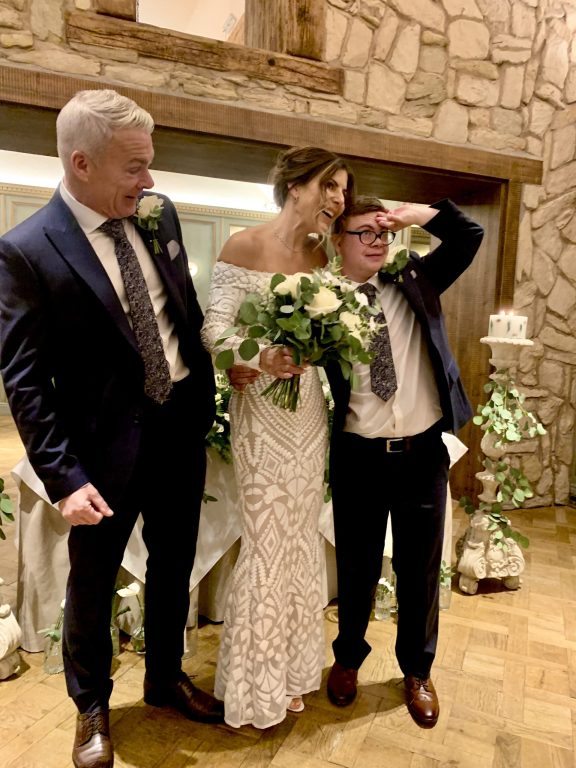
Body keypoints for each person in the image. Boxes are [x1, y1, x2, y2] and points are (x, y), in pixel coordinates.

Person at [0, 89, 222, 768]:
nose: (149, 182)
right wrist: (64, 478)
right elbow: (26, 379)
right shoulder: (26, 250)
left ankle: (164, 679)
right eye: (133, 167)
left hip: (180, 429)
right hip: (101, 451)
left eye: (148, 165)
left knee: (175, 562)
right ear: (81, 164)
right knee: (91, 585)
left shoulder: (159, 214)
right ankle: (91, 706)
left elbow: (178, 312)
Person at [201, 146, 354, 729]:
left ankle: (292, 673)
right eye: (329, 186)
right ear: (294, 186)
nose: (338, 199)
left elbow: (329, 337)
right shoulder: (244, 245)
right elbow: (214, 329)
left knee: (297, 538)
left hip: (308, 408)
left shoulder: (323, 259)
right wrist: (257, 356)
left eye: (343, 189)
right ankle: (253, 685)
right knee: (268, 542)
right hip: (262, 411)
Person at [325, 195, 483, 728]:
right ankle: (347, 658)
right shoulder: (318, 301)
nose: (376, 242)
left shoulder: (416, 278)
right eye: (363, 234)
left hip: (422, 454)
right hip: (358, 456)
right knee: (358, 567)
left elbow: (469, 236)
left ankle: (417, 670)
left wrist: (416, 215)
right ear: (337, 241)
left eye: (382, 233)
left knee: (420, 571)